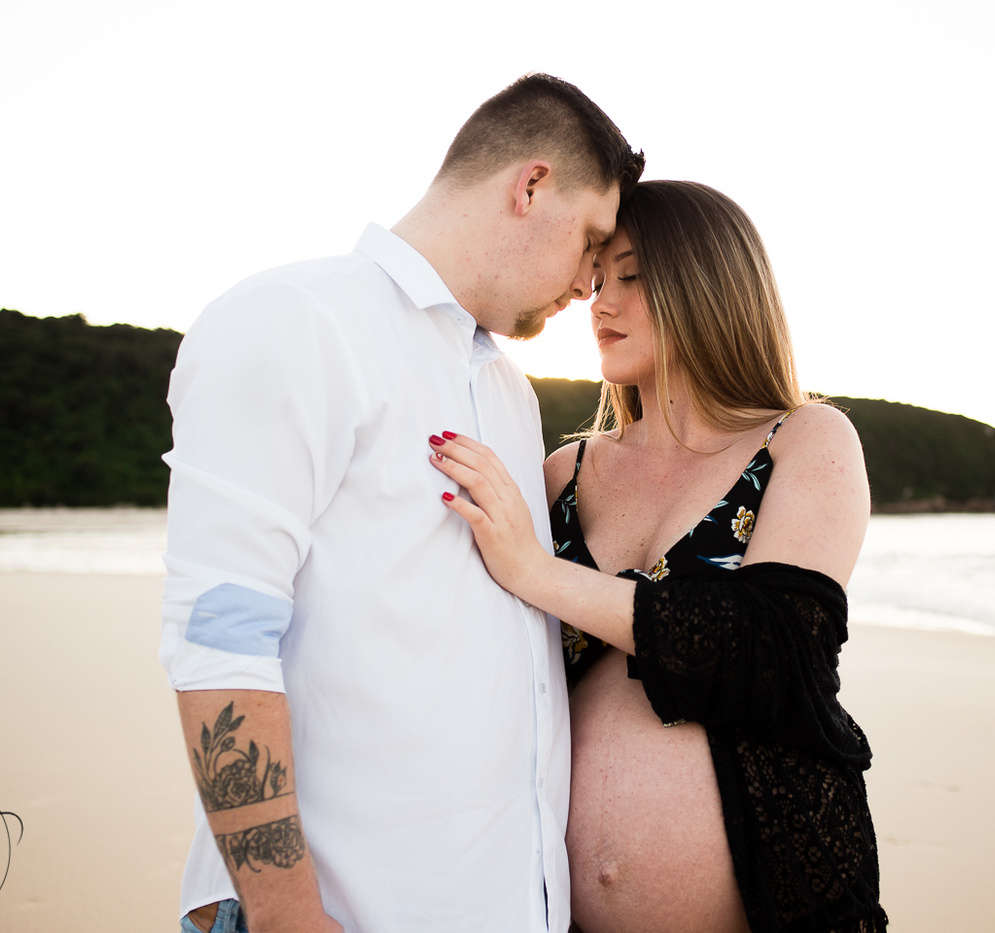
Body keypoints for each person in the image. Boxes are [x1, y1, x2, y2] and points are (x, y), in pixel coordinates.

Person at [160, 74, 644, 933]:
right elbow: (220, 636)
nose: (588, 282)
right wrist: (285, 914)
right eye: (591, 239)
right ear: (531, 186)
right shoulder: (295, 319)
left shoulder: (507, 389)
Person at [427, 180, 887, 932]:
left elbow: (775, 646)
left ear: (709, 282)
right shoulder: (564, 473)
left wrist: (538, 572)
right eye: (597, 280)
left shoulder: (803, 438)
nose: (600, 303)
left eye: (632, 276)